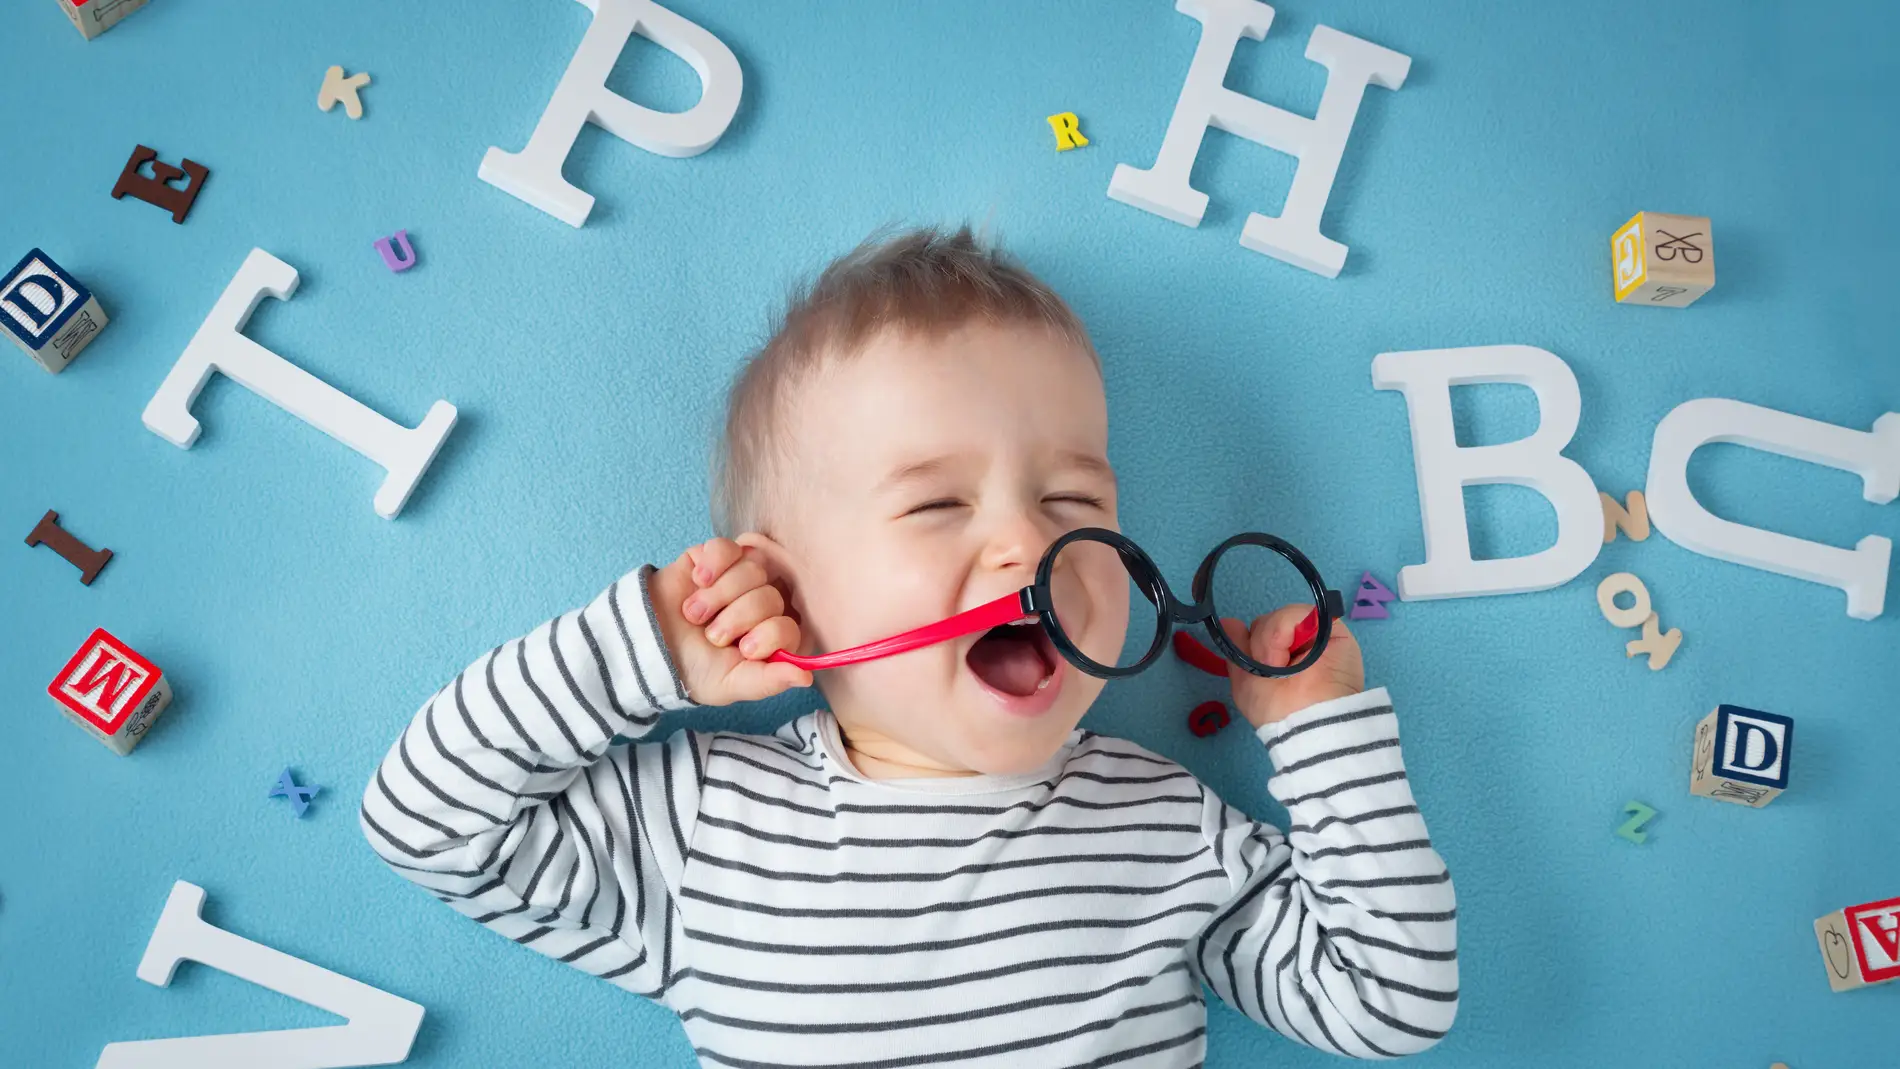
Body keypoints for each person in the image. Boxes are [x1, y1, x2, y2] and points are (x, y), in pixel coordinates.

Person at [361, 227, 1457, 1065]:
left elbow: (1389, 1001)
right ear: (780, 585)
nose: (1030, 539)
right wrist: (653, 642)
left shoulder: (1166, 825)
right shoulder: (706, 831)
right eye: (937, 506)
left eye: (1075, 497)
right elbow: (423, 821)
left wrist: (1320, 730)